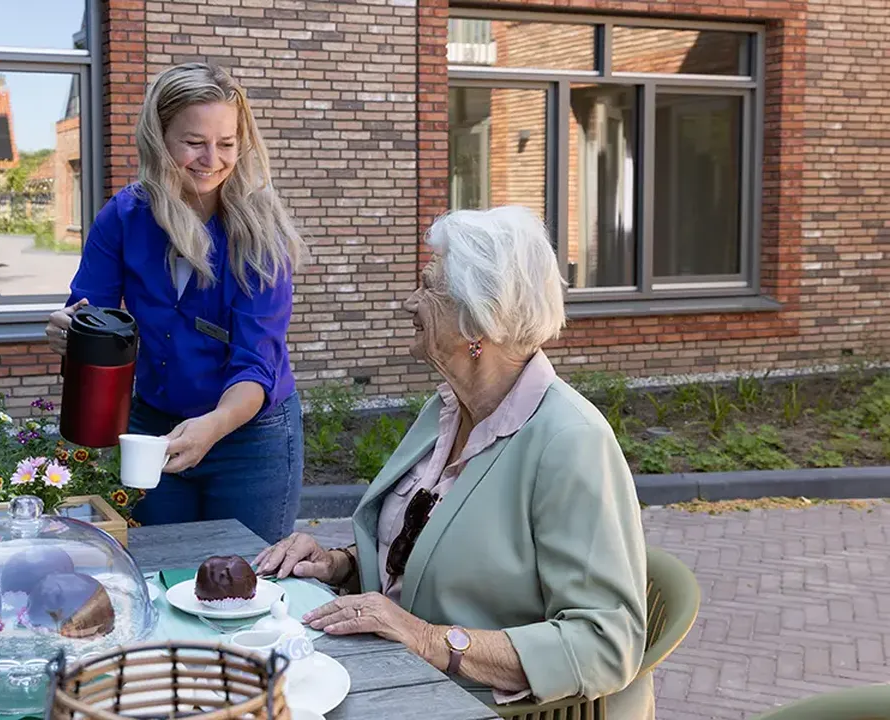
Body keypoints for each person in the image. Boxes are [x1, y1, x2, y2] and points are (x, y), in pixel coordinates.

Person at [256, 206, 652, 717]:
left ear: (478, 321)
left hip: (478, 704)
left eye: (428, 287)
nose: (409, 302)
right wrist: (341, 564)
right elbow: (429, 548)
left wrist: (428, 639)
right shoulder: (445, 410)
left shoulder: (570, 441)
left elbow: (606, 643)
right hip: (390, 677)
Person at [46, 63, 306, 544]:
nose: (212, 159)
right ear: (159, 137)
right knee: (160, 568)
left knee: (246, 576)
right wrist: (71, 333)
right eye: (194, 142)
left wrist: (213, 427)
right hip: (154, 429)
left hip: (249, 437)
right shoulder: (124, 217)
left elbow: (256, 365)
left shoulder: (260, 235)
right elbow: (91, 314)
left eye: (226, 143)